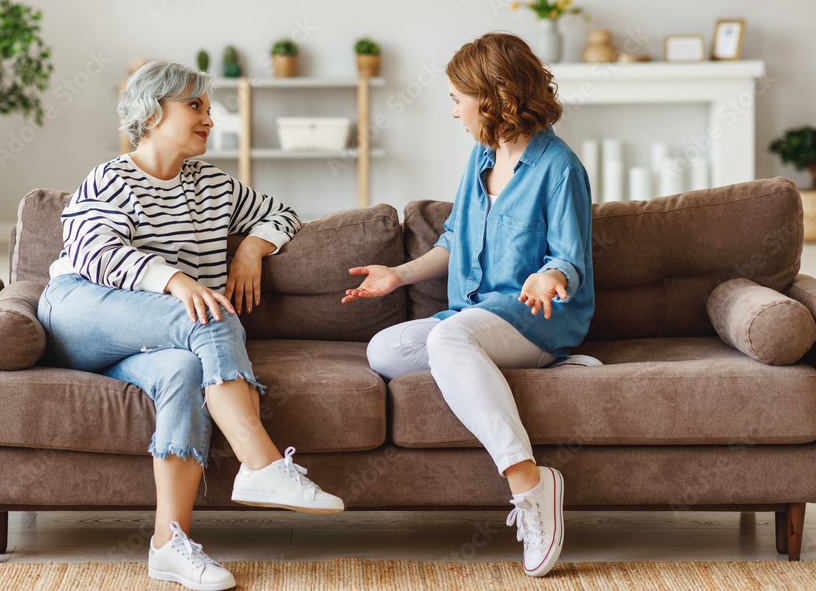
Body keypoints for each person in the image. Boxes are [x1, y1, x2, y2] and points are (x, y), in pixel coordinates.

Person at [38, 60, 344, 591]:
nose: (210, 117)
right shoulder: (111, 178)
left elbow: (284, 213)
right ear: (153, 114)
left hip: (160, 339)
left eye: (209, 107)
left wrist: (251, 248)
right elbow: (96, 250)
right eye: (195, 106)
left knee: (183, 370)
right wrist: (177, 281)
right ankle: (261, 463)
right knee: (207, 311)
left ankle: (168, 546)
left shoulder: (215, 186)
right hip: (82, 313)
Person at [342, 32, 597, 578]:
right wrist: (397, 276)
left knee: (447, 339)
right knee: (384, 351)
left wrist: (549, 277)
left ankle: (530, 482)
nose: (452, 108)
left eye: (459, 96)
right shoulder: (480, 157)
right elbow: (454, 240)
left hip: (536, 318)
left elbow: (569, 259)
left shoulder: (560, 167)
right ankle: (517, 367)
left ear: (495, 95)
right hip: (473, 319)